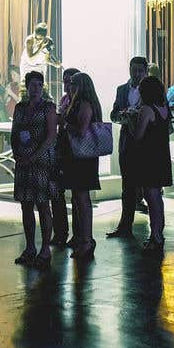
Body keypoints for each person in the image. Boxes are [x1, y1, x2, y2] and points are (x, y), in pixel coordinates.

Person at [11, 71, 58, 269]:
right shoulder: (20, 108)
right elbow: (15, 132)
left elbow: (50, 137)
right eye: (32, 84)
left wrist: (34, 155)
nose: (35, 88)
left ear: (43, 87)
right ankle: (30, 247)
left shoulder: (48, 108)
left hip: (41, 163)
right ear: (27, 86)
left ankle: (45, 248)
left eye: (39, 85)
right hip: (23, 161)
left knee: (43, 205)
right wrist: (17, 153)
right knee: (26, 205)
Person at [61, 71, 102, 260]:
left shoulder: (85, 104)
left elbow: (82, 130)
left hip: (83, 157)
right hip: (77, 155)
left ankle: (87, 239)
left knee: (82, 198)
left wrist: (65, 124)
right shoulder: (79, 103)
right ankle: (84, 238)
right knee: (78, 197)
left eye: (73, 85)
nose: (69, 87)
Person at [129, 76, 173, 254]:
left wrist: (130, 121)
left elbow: (138, 136)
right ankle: (158, 233)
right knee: (157, 198)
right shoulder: (164, 108)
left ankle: (155, 235)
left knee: (151, 197)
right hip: (161, 154)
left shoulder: (147, 109)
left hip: (149, 156)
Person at [108, 56, 150, 239]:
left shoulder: (151, 89)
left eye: (141, 70)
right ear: (130, 70)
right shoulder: (122, 89)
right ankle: (125, 226)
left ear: (146, 72)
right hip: (127, 142)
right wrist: (123, 116)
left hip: (146, 143)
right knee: (127, 187)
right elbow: (113, 114)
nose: (138, 74)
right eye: (135, 70)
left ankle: (155, 231)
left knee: (149, 187)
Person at [51, 67, 79, 246]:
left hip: (75, 150)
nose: (67, 85)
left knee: (77, 194)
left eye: (70, 81)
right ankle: (60, 232)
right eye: (65, 81)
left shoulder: (81, 102)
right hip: (61, 147)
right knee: (57, 191)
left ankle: (78, 234)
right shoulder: (63, 99)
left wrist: (63, 121)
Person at [18, 22, 59, 86]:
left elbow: (46, 59)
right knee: (26, 86)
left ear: (44, 37)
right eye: (36, 37)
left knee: (41, 86)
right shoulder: (29, 40)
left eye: (40, 39)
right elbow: (31, 57)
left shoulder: (49, 42)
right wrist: (40, 48)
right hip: (27, 65)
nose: (37, 40)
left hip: (40, 65)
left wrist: (54, 64)